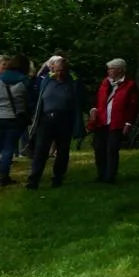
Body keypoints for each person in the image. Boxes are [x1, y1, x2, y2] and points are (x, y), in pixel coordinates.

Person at [26, 55, 83, 189]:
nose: (59, 73)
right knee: (41, 150)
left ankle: (58, 177)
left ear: (67, 70)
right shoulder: (46, 80)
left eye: (62, 70)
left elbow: (80, 100)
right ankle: (33, 180)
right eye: (57, 70)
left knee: (62, 150)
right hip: (46, 120)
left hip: (65, 120)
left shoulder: (73, 82)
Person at [88, 59, 139, 183]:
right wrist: (94, 109)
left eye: (111, 69)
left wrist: (128, 122)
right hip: (102, 121)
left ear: (120, 70)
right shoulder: (105, 83)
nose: (108, 71)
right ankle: (101, 174)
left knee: (112, 149)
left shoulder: (130, 85)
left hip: (117, 122)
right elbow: (98, 99)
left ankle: (110, 175)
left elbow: (133, 106)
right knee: (99, 148)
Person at [0, 56, 31, 186]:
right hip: (13, 118)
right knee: (8, 148)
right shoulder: (24, 81)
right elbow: (29, 101)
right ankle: (3, 177)